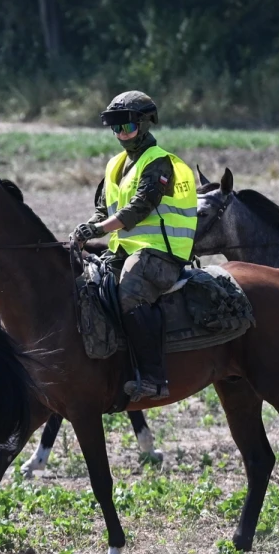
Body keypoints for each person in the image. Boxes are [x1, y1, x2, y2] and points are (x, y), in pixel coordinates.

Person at [69, 91, 197, 402]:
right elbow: (103, 209)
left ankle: (154, 377)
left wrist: (97, 229)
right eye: (115, 128)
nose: (121, 134)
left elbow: (138, 209)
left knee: (131, 288)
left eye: (127, 127)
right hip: (125, 251)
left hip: (162, 256)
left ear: (145, 123)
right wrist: (87, 227)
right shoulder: (115, 164)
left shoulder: (159, 163)